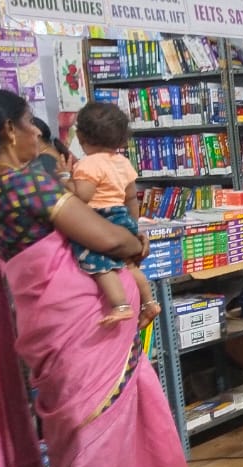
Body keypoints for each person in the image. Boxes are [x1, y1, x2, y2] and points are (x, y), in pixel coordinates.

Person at [0, 89, 196, 467]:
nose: (36, 133)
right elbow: (105, 237)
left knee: (77, 434)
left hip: (50, 324)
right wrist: (134, 244)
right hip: (82, 328)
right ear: (8, 131)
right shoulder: (27, 185)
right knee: (94, 437)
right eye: (29, 123)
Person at [70, 102, 158, 327]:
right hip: (122, 216)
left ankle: (120, 305)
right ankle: (149, 303)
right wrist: (133, 226)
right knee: (128, 265)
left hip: (101, 218)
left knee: (97, 262)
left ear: (80, 136)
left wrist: (64, 183)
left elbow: (83, 196)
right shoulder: (123, 163)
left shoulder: (87, 164)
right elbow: (131, 198)